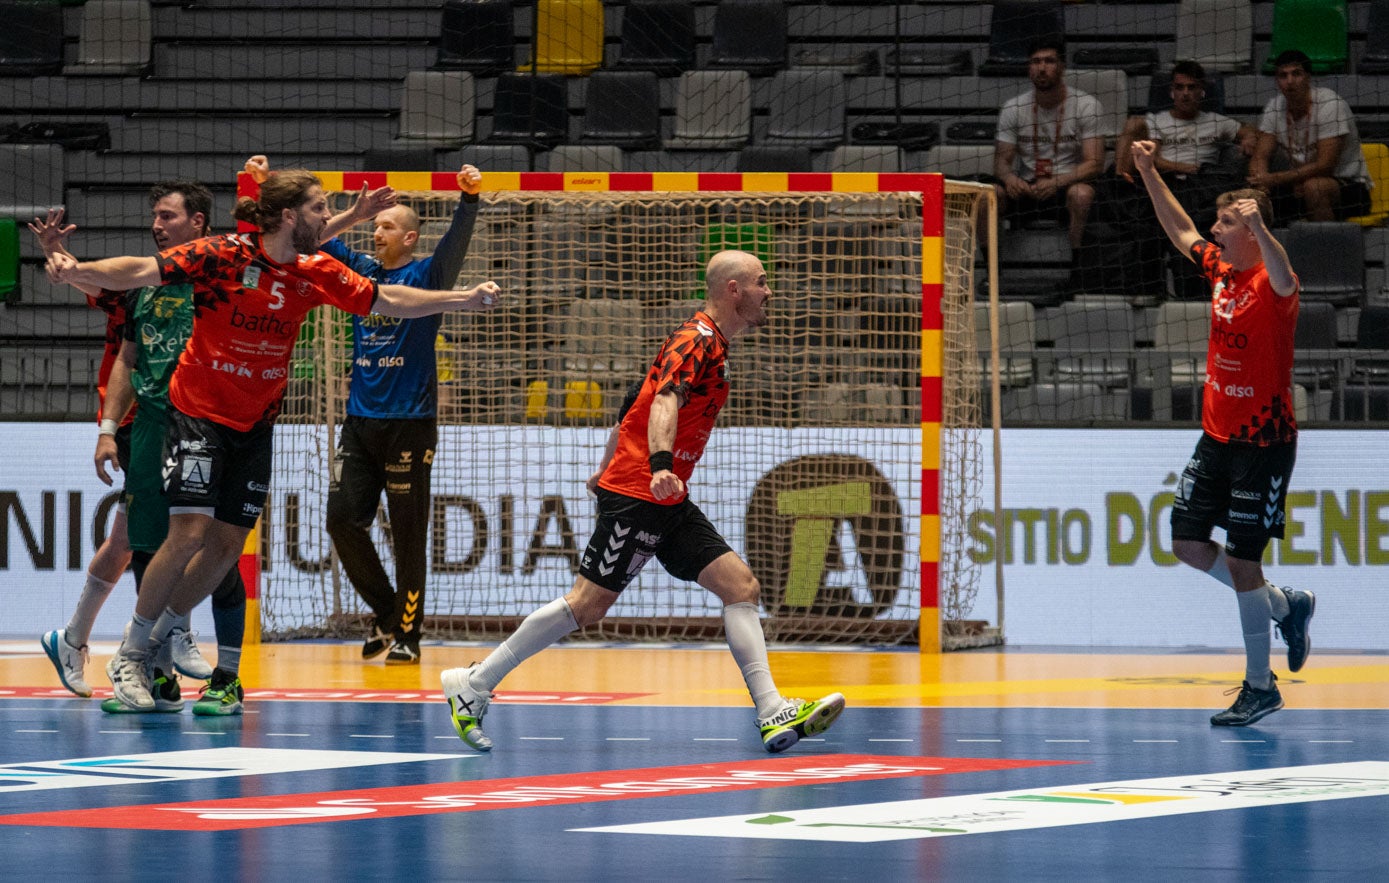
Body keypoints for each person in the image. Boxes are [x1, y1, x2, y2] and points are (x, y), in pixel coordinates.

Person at [46, 169, 503, 712]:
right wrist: (78, 269)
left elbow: (389, 299)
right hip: (198, 414)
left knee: (225, 546)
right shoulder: (224, 255)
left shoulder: (314, 271)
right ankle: (133, 650)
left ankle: (160, 633)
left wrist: (463, 298)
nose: (328, 219)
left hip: (256, 422)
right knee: (189, 531)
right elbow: (143, 269)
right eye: (319, 209)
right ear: (290, 216)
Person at [439, 250, 846, 753]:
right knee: (587, 606)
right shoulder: (695, 340)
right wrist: (655, 466)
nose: (770, 292)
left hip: (661, 495)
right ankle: (473, 685)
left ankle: (771, 711)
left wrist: (604, 464)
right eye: (762, 282)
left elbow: (632, 402)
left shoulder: (708, 343)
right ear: (734, 289)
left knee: (740, 586)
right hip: (642, 491)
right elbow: (664, 400)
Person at [244, 155, 483, 666]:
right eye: (375, 225)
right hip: (359, 422)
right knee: (342, 521)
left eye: (387, 226)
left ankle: (408, 636)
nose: (377, 232)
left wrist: (468, 198)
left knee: (408, 533)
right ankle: (388, 613)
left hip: (409, 423)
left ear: (411, 238)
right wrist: (268, 188)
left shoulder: (427, 273)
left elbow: (456, 244)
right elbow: (312, 235)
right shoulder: (361, 272)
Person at [1132, 138, 1316, 727]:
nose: (1214, 229)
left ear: (1252, 231)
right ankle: (1287, 605)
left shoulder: (1271, 284)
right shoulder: (1221, 271)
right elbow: (1179, 228)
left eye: (1226, 222)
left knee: (1242, 562)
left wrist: (1262, 228)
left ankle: (1260, 687)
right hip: (1217, 437)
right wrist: (1147, 170)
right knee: (1186, 543)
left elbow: (1285, 274)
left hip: (1265, 443)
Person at [30, 196, 213, 697]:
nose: (155, 225)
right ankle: (154, 655)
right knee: (158, 536)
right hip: (141, 415)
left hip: (192, 416)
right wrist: (58, 257)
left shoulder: (218, 273)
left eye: (166, 216)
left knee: (132, 538)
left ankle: (75, 639)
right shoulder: (137, 281)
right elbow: (84, 279)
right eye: (152, 216)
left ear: (198, 222)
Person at [1083, 61, 1256, 298]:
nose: (1185, 93)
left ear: (1201, 91)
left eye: (1191, 87)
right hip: (1164, 184)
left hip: (1200, 191)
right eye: (1180, 87)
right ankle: (1144, 288)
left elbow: (1250, 131)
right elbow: (1154, 160)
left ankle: (1195, 293)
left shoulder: (1216, 121)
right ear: (1171, 91)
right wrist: (1187, 167)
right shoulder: (1156, 121)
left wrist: (1248, 138)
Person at [992, 36, 1105, 256]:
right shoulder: (1013, 108)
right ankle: (992, 271)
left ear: (1062, 67)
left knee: (1082, 194)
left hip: (1066, 184)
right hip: (1027, 187)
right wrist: (1009, 178)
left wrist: (1057, 182)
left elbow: (1095, 163)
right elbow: (1001, 162)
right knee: (990, 194)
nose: (1042, 68)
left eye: (1049, 61)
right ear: (1028, 67)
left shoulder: (1087, 105)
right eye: (1036, 61)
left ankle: (1078, 270)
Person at [1248, 49, 1372, 224]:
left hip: (1349, 186)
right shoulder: (1274, 107)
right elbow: (1260, 155)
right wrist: (1261, 182)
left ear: (1308, 77)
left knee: (1315, 188)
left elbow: (1325, 166)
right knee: (1254, 199)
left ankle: (1325, 249)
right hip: (1298, 183)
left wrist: (1275, 179)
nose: (1290, 81)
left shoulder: (1330, 104)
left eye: (1296, 74)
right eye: (1283, 76)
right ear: (1277, 81)